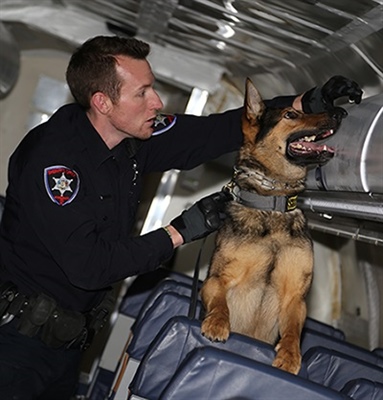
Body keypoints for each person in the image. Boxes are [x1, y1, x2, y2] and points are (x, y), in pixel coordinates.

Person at [0, 35, 362, 400]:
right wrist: (179, 232)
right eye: (142, 92)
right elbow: (90, 266)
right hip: (15, 348)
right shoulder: (53, 163)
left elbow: (212, 132)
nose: (156, 101)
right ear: (102, 102)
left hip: (68, 346)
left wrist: (306, 103)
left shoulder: (130, 139)